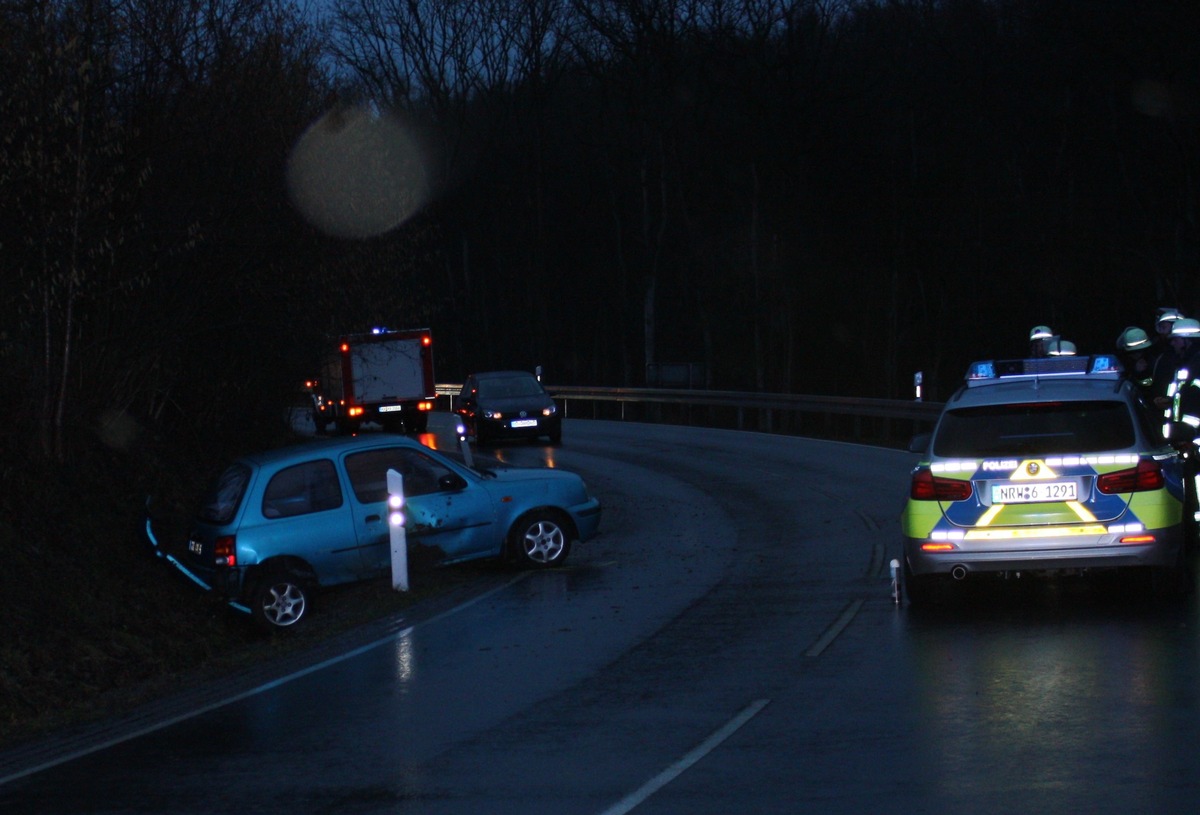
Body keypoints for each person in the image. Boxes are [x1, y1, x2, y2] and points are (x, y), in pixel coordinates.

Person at [1152, 310, 1189, 410]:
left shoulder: (1185, 357)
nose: (1162, 332)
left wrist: (1169, 400)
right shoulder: (1159, 352)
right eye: (1160, 328)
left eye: (1164, 327)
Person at [1115, 326, 1154, 393]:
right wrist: (1135, 371)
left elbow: (1148, 385)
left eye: (1141, 350)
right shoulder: (1121, 361)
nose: (1138, 353)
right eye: (1135, 351)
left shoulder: (1150, 359)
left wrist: (1141, 373)